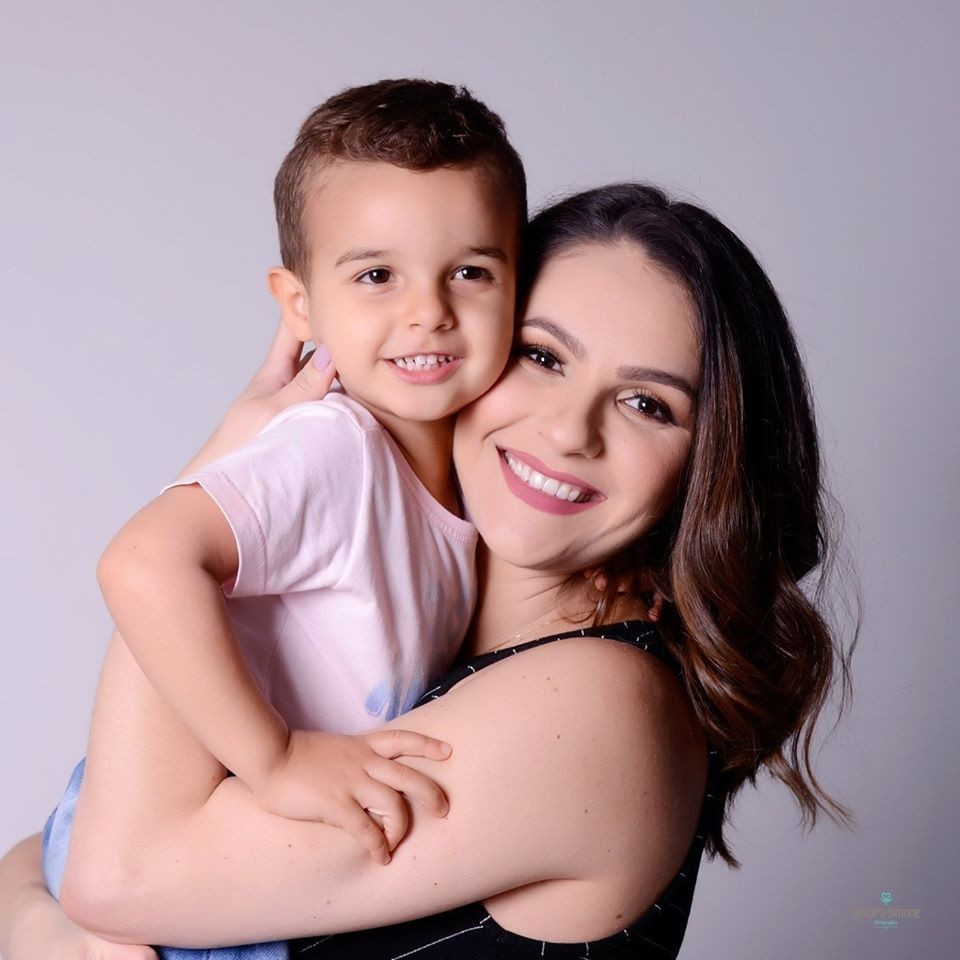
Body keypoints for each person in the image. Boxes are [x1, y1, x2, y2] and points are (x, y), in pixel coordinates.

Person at [0, 183, 855, 960]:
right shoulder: (419, 623)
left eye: (647, 405)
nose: (569, 431)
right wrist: (48, 930)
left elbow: (115, 879)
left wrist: (225, 492)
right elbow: (39, 857)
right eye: (543, 357)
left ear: (708, 466)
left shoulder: (596, 705)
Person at [38, 77, 526, 960]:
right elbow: (140, 564)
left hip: (243, 867)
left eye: (470, 272)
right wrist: (278, 759)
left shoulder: (470, 481)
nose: (429, 311)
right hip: (176, 858)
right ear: (300, 306)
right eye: (376, 275)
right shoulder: (335, 449)